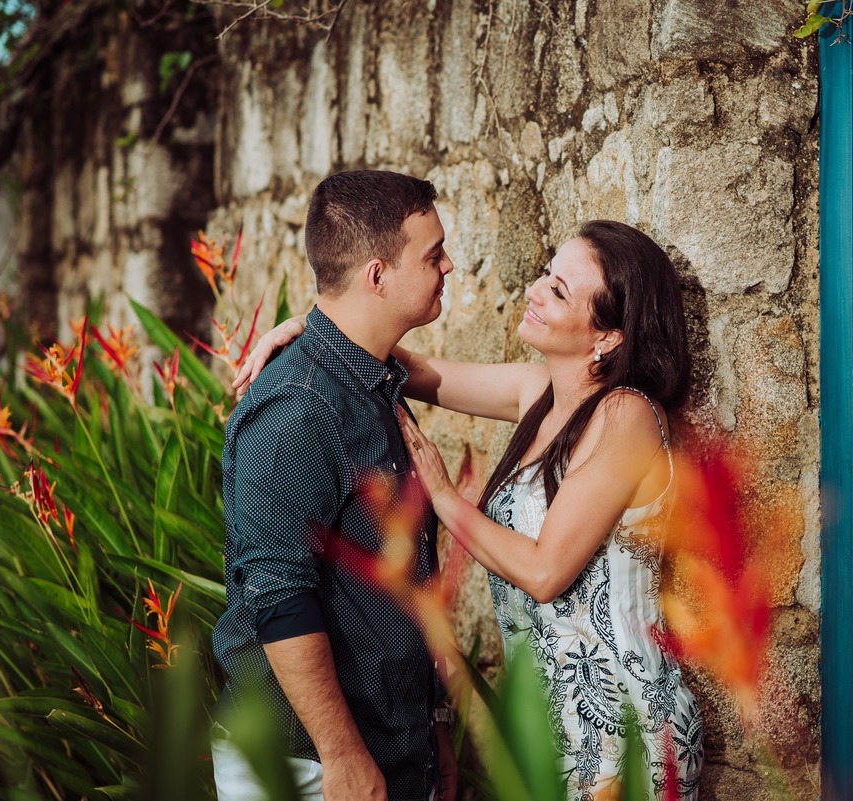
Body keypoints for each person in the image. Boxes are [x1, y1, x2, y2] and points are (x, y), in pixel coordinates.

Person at [238, 220, 705, 800]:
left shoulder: (626, 415)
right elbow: (407, 365)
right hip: (552, 728)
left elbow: (544, 571)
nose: (534, 290)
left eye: (558, 291)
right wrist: (311, 330)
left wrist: (444, 499)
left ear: (608, 337)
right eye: (546, 275)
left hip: (624, 729)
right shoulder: (539, 393)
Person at [212, 170, 458, 801]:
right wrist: (342, 755)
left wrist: (433, 727)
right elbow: (279, 595)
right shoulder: (296, 406)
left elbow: (402, 584)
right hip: (307, 767)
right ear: (377, 275)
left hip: (392, 752)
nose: (448, 266)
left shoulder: (371, 377)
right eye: (432, 255)